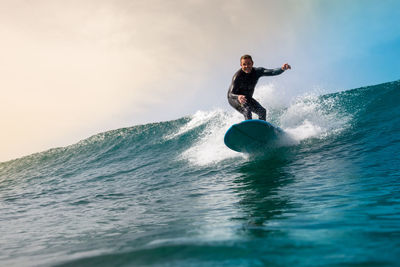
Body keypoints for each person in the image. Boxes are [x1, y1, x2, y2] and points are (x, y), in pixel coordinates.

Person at [227, 54, 291, 121]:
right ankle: (249, 129)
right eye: (244, 64)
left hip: (247, 98)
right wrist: (238, 97)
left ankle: (261, 129)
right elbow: (230, 94)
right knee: (247, 111)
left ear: (252, 63)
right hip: (234, 99)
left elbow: (272, 72)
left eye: (249, 64)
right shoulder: (237, 77)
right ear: (241, 65)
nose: (246, 66)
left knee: (262, 112)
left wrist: (282, 69)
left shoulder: (257, 72)